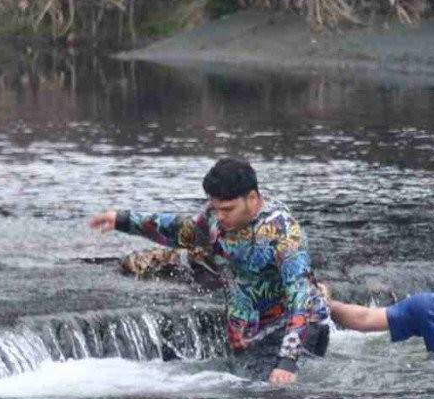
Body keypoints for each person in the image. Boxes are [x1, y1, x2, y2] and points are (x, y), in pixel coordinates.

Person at [89, 158, 328, 384]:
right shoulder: (215, 217)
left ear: (253, 198)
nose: (220, 216)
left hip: (296, 331)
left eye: (228, 209)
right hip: (251, 334)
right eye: (216, 208)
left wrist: (287, 360)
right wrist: (124, 220)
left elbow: (302, 297)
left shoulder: (284, 235)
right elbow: (182, 232)